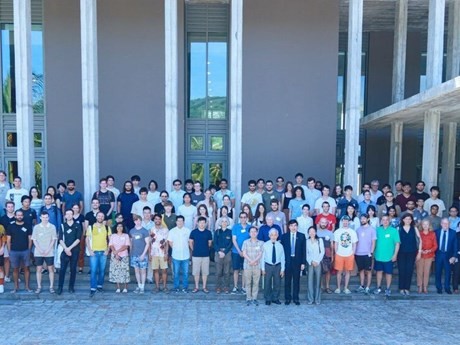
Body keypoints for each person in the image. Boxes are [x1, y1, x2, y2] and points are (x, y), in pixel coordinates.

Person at [373, 215, 400, 297]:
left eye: (387, 220)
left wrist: (395, 255)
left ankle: (388, 289)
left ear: (389, 221)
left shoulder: (394, 231)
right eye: (383, 220)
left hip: (389, 257)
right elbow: (373, 242)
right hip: (378, 255)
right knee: (379, 272)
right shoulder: (377, 230)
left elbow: (397, 244)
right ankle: (378, 287)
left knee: (389, 273)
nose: (385, 221)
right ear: (381, 221)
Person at [6, 210, 33, 293]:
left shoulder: (27, 226)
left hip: (25, 250)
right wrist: (9, 251)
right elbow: (8, 240)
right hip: (14, 251)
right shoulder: (11, 226)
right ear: (15, 216)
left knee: (27, 269)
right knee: (15, 269)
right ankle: (15, 287)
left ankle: (27, 287)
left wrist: (29, 249)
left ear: (23, 216)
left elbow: (30, 239)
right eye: (18, 215)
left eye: (21, 215)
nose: (19, 216)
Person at [57, 209, 82, 295]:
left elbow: (78, 239)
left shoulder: (77, 225)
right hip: (64, 250)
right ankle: (60, 287)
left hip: (74, 250)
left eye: (70, 214)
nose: (69, 216)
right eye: (67, 214)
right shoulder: (62, 226)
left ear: (73, 215)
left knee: (73, 269)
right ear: (65, 216)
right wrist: (66, 249)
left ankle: (71, 287)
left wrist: (70, 248)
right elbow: (60, 239)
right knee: (62, 269)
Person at [86, 211, 111, 297]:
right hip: (94, 252)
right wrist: (90, 250)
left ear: (104, 218)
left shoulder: (107, 228)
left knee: (102, 270)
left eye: (102, 216)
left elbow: (110, 240)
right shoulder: (91, 227)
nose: (100, 217)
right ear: (96, 217)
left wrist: (108, 250)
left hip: (103, 252)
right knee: (93, 270)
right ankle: (93, 288)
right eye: (99, 216)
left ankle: (99, 285)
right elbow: (87, 240)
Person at [281, 220, 306, 305]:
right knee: (287, 281)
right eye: (291, 225)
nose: (293, 227)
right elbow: (282, 251)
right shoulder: (284, 236)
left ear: (297, 227)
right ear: (289, 227)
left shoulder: (302, 236)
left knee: (296, 281)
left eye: (295, 225)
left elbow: (304, 251)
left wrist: (303, 263)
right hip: (287, 261)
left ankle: (296, 298)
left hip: (297, 261)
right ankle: (287, 298)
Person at [32, 211, 58, 294]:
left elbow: (53, 239)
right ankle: (39, 286)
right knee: (39, 269)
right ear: (40, 217)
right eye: (43, 217)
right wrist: (39, 249)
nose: (45, 219)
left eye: (46, 217)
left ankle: (51, 287)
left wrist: (47, 249)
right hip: (38, 251)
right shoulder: (36, 227)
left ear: (49, 217)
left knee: (51, 269)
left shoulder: (52, 227)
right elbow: (34, 240)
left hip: (49, 251)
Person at [397, 213, 421, 295]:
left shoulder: (414, 228)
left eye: (409, 219)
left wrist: (419, 252)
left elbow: (420, 240)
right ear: (403, 220)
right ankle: (401, 288)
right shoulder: (399, 228)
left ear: (411, 220)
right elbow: (396, 242)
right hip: (401, 252)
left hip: (412, 252)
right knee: (402, 269)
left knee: (409, 270)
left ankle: (407, 288)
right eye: (406, 219)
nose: (408, 220)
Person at [333, 216, 358, 294]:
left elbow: (354, 243)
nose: (345, 222)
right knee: (339, 271)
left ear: (349, 222)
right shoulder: (337, 231)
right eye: (344, 221)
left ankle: (346, 288)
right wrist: (336, 252)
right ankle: (338, 288)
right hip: (339, 254)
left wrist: (353, 252)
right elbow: (336, 243)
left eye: (347, 221)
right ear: (341, 221)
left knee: (347, 272)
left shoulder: (352, 232)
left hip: (349, 254)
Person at [167, 216, 191, 293]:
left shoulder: (188, 231)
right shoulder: (172, 231)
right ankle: (176, 287)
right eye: (178, 221)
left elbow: (189, 242)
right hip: (176, 255)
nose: (180, 222)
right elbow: (170, 242)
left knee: (186, 273)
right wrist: (176, 248)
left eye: (181, 221)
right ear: (176, 222)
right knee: (176, 273)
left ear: (184, 222)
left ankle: (185, 287)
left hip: (185, 255)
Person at [189, 216, 212, 293]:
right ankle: (196, 287)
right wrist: (194, 249)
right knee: (196, 272)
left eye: (203, 223)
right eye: (200, 223)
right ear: (197, 223)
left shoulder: (208, 233)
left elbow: (209, 243)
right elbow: (190, 242)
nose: (202, 224)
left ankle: (204, 287)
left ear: (205, 224)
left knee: (205, 272)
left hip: (205, 255)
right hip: (196, 255)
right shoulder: (193, 232)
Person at [262, 228, 285, 305]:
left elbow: (282, 257)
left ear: (278, 235)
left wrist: (282, 269)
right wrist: (262, 268)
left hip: (277, 266)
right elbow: (262, 257)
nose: (273, 236)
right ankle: (268, 298)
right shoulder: (265, 245)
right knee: (267, 282)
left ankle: (275, 298)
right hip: (268, 265)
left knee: (277, 282)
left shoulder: (280, 245)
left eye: (275, 235)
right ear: (269, 235)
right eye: (272, 235)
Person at [242, 226, 264, 306]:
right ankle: (248, 298)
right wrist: (251, 261)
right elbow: (244, 253)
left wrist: (254, 261)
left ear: (257, 233)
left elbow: (261, 254)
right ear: (249, 233)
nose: (253, 233)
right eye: (251, 232)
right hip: (247, 265)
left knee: (256, 283)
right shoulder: (245, 242)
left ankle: (254, 298)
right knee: (248, 282)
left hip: (257, 266)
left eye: (255, 231)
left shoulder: (261, 243)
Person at [434, 218, 457, 294]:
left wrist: (454, 256)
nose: (445, 225)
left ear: (449, 224)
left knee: (448, 272)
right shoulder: (436, 232)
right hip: (438, 255)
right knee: (438, 272)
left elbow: (455, 246)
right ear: (441, 224)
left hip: (448, 256)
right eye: (444, 223)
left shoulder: (453, 233)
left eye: (447, 223)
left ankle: (447, 288)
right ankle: (439, 288)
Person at [354, 214, 376, 294]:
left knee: (368, 271)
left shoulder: (372, 229)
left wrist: (371, 252)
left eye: (364, 219)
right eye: (361, 219)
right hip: (358, 253)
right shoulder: (358, 229)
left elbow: (374, 242)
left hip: (367, 253)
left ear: (367, 219)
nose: (362, 220)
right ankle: (362, 285)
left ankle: (368, 287)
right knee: (361, 271)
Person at [129, 215, 150, 294]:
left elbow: (147, 243)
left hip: (143, 254)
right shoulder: (132, 231)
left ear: (141, 221)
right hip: (134, 254)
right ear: (134, 221)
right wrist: (130, 252)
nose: (137, 222)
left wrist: (143, 254)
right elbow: (131, 242)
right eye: (136, 220)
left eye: (139, 220)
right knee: (136, 271)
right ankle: (139, 285)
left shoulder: (144, 231)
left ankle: (142, 287)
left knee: (143, 271)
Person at [231, 211, 251, 294]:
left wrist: (244, 252)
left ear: (247, 218)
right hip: (236, 252)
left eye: (244, 217)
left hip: (246, 253)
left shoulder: (250, 227)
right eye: (241, 217)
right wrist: (239, 251)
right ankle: (235, 286)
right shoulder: (235, 227)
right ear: (239, 218)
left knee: (244, 270)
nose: (243, 219)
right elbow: (234, 240)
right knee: (236, 270)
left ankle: (243, 287)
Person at [416, 219, 437, 294]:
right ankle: (420, 286)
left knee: (427, 271)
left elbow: (435, 245)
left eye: (427, 224)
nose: (425, 226)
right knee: (419, 271)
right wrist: (419, 250)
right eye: (424, 224)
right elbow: (416, 243)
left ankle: (425, 286)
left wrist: (430, 250)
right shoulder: (419, 233)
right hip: (420, 254)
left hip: (429, 255)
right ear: (421, 225)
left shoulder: (433, 234)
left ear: (429, 225)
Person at [149, 214, 169, 292]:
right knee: (155, 270)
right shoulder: (151, 230)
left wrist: (166, 253)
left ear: (161, 220)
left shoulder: (165, 230)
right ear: (154, 220)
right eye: (156, 219)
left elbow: (166, 243)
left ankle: (164, 287)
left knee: (164, 270)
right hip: (154, 253)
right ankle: (157, 287)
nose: (157, 220)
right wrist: (149, 254)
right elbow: (150, 243)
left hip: (162, 252)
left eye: (159, 219)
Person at [213, 217, 232, 294]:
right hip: (218, 253)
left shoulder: (230, 232)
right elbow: (215, 243)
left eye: (225, 221)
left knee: (227, 272)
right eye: (222, 221)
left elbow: (231, 243)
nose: (224, 223)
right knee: (218, 272)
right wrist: (219, 251)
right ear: (220, 223)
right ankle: (218, 287)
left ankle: (226, 287)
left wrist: (225, 252)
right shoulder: (217, 232)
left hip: (227, 253)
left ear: (227, 223)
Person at [306, 226, 324, 305]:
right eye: (310, 231)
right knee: (310, 281)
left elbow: (322, 252)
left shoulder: (319, 240)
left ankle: (317, 299)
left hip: (318, 262)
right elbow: (306, 253)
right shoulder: (307, 241)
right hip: (310, 263)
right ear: (308, 233)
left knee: (318, 281)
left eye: (313, 231)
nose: (312, 233)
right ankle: (310, 299)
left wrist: (317, 261)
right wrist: (311, 261)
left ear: (316, 232)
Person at [316, 217, 334, 294]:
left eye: (325, 223)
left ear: (327, 224)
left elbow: (332, 245)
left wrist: (332, 256)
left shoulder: (330, 233)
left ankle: (327, 287)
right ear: (319, 223)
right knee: (319, 271)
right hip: (318, 254)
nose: (323, 224)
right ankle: (320, 287)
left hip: (327, 254)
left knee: (328, 271)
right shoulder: (315, 233)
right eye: (322, 222)